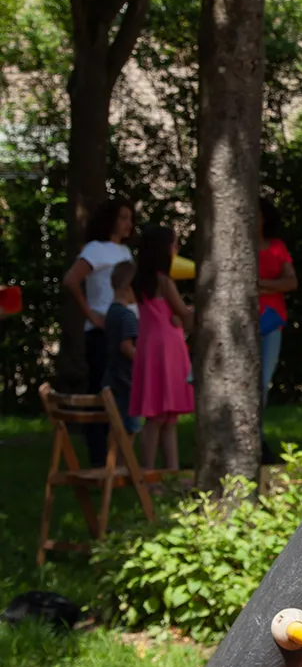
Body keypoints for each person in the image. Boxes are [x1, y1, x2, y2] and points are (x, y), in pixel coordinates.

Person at [62, 199, 135, 466]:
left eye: (130, 218)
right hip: (101, 331)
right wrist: (91, 313)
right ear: (110, 220)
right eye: (123, 218)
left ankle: (119, 455)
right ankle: (98, 457)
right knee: (102, 391)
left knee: (123, 392)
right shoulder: (95, 249)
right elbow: (72, 279)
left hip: (124, 327)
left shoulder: (125, 252)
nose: (128, 223)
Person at [129, 225, 194, 472]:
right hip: (168, 349)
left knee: (162, 416)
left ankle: (165, 473)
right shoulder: (164, 281)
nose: (177, 249)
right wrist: (191, 312)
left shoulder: (139, 281)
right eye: (174, 244)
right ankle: (153, 473)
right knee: (162, 417)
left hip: (149, 348)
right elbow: (183, 314)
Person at [258, 197, 297, 459]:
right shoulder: (239, 245)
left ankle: (257, 438)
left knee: (262, 382)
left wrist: (260, 284)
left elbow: (290, 282)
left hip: (270, 320)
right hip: (241, 323)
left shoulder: (277, 246)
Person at [101, 261, 143, 438]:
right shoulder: (128, 316)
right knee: (129, 429)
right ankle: (124, 464)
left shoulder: (111, 312)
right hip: (126, 381)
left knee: (117, 429)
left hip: (112, 377)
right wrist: (144, 361)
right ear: (130, 287)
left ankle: (117, 463)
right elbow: (126, 346)